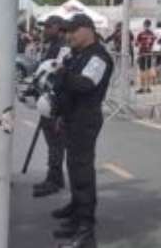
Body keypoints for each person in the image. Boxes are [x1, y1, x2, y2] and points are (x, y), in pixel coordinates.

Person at [51, 14, 114, 248]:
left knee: (82, 173)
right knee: (75, 169)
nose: (69, 36)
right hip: (71, 117)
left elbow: (86, 85)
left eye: (73, 31)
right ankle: (77, 215)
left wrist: (62, 74)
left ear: (88, 29)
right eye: (67, 32)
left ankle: (86, 229)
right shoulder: (77, 55)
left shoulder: (98, 57)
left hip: (85, 119)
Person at [34, 14, 70, 198]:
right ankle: (54, 177)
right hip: (49, 99)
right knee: (52, 141)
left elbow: (58, 73)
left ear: (58, 27)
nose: (45, 30)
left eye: (48, 27)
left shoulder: (63, 47)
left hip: (56, 100)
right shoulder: (54, 46)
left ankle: (54, 179)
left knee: (55, 142)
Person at [135, 19, 157, 93]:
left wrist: (141, 44)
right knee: (148, 70)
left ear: (144, 25)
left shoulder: (141, 34)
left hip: (142, 53)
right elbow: (154, 43)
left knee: (142, 71)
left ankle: (142, 87)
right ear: (149, 25)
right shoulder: (152, 34)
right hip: (149, 53)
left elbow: (136, 44)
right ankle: (147, 87)